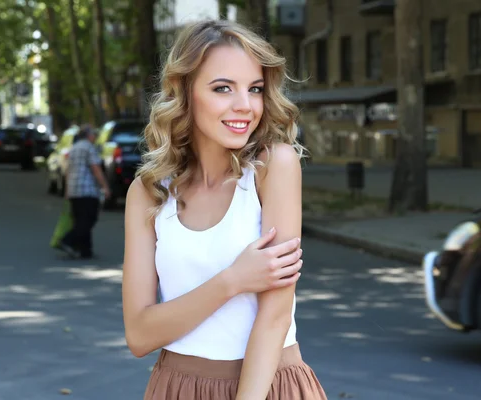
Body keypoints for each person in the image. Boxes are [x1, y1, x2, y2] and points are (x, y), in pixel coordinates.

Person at [122, 20, 327, 400]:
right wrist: (233, 280)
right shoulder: (148, 193)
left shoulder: (273, 168)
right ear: (185, 92)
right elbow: (139, 335)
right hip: (176, 387)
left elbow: (275, 317)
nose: (244, 106)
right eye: (222, 89)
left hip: (268, 385)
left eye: (254, 89)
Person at [57, 124, 110, 259]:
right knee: (89, 219)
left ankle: (85, 250)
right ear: (88, 135)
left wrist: (67, 190)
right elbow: (96, 168)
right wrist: (105, 186)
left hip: (74, 190)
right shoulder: (88, 147)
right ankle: (67, 240)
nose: (95, 137)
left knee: (80, 219)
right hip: (87, 190)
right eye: (93, 134)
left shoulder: (73, 148)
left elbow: (68, 170)